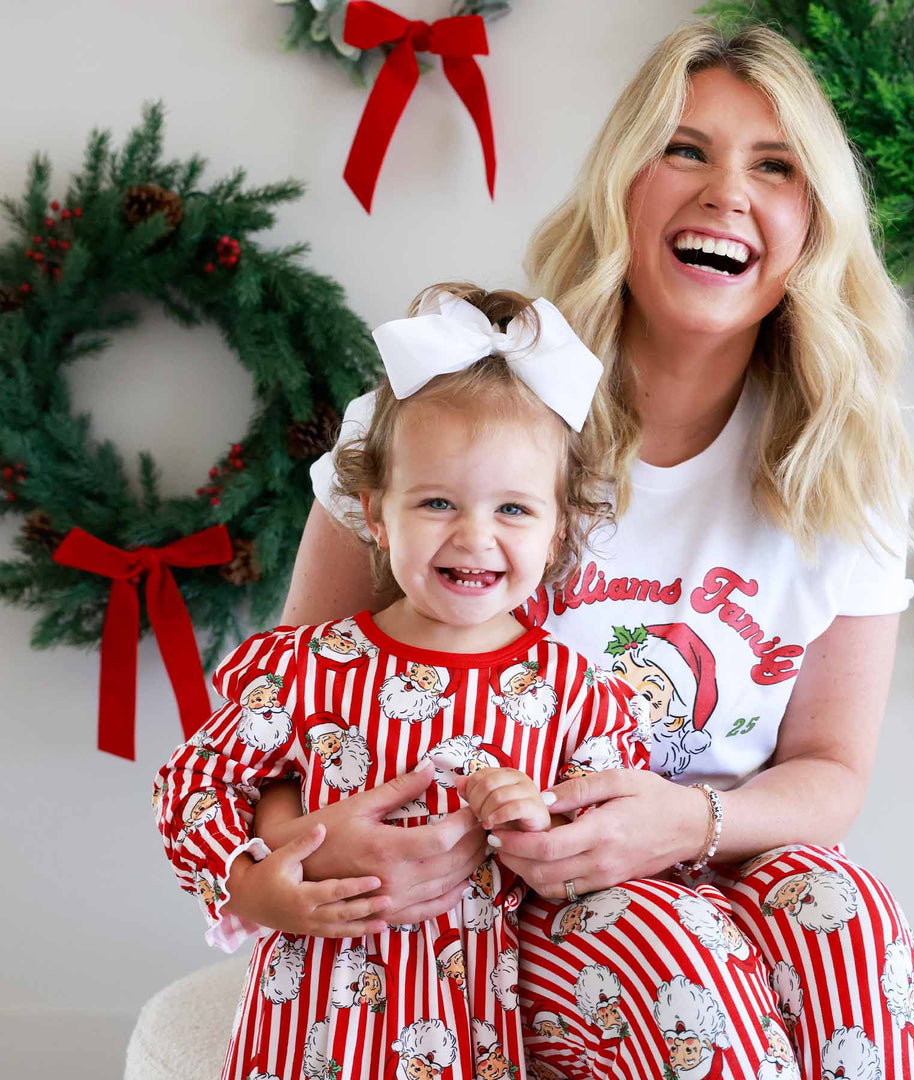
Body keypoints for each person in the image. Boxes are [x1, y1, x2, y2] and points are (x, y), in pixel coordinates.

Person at [233, 20, 914, 1080]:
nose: (726, 195)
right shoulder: (458, 410)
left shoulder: (846, 463)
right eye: (686, 149)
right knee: (671, 948)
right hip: (500, 909)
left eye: (775, 167)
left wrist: (691, 821)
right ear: (623, 183)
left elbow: (832, 772)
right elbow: (287, 708)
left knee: (850, 914)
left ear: (813, 227)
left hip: (716, 857)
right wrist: (309, 847)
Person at [155, 283, 669, 1079]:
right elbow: (194, 783)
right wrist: (255, 889)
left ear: (559, 528)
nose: (475, 535)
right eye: (436, 502)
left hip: (472, 1025)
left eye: (514, 510)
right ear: (376, 511)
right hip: (309, 1024)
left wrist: (529, 817)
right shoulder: (308, 666)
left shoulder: (570, 687)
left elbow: (600, 839)